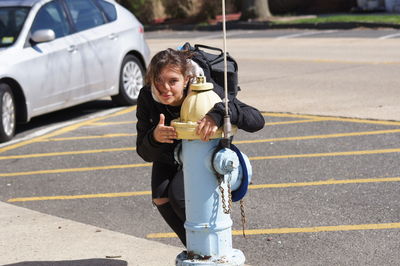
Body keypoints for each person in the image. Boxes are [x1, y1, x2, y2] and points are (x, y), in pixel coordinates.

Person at [136, 48, 265, 246]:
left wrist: (219, 113)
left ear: (186, 78)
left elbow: (257, 120)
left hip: (203, 153)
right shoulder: (147, 97)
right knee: (161, 197)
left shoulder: (205, 89)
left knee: (179, 197)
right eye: (158, 80)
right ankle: (197, 249)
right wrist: (154, 137)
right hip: (170, 154)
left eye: (172, 81)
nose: (165, 88)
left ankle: (213, 248)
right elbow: (143, 151)